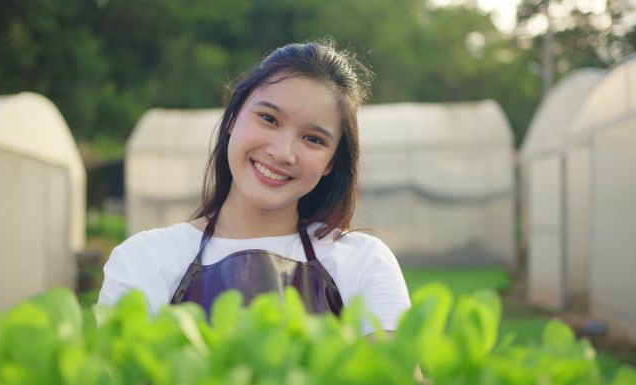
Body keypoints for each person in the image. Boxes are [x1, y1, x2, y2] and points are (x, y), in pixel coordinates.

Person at [98, 40, 411, 335]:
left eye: (313, 139)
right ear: (232, 117)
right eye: (269, 118)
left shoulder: (363, 262)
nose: (282, 153)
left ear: (331, 162)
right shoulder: (145, 259)